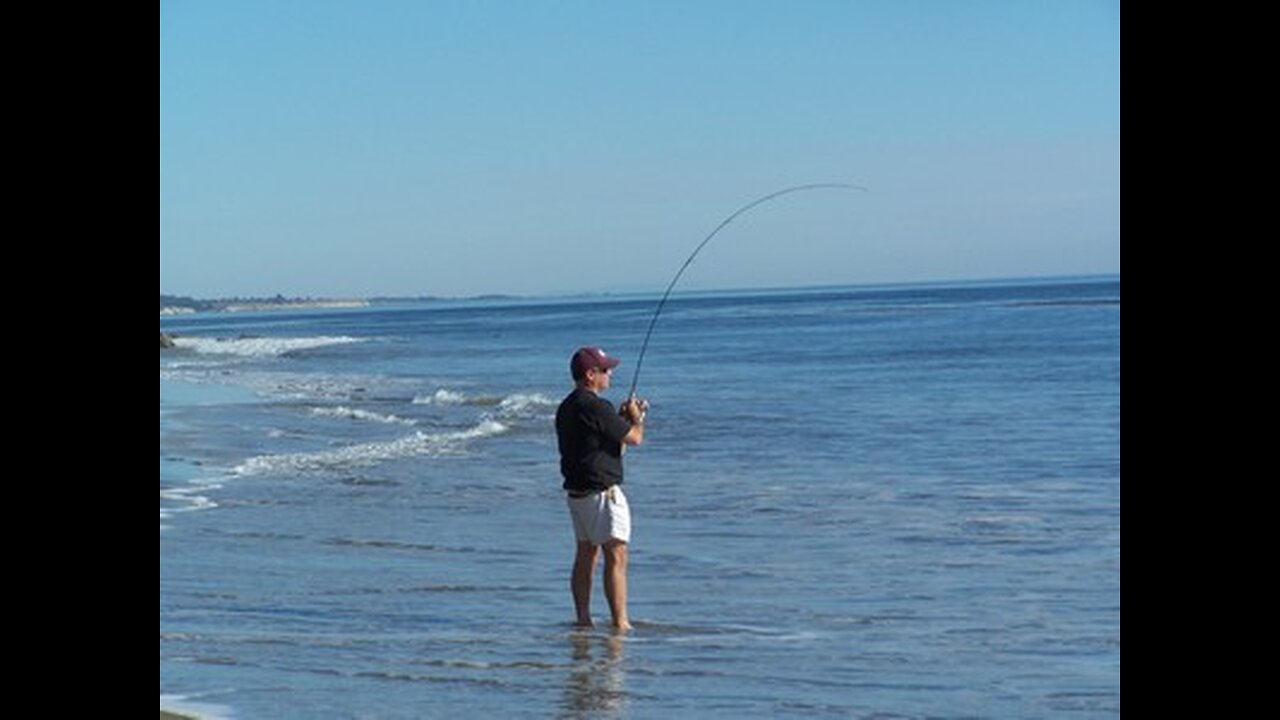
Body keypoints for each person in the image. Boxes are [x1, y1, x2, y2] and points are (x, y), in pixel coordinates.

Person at [556, 346, 647, 630]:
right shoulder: (595, 406)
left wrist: (619, 420)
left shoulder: (568, 407)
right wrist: (636, 419)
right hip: (602, 494)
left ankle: (583, 620)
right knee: (616, 554)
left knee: (586, 554)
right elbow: (633, 439)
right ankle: (620, 624)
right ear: (590, 374)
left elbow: (605, 445)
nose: (610, 374)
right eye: (605, 370)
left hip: (578, 495)